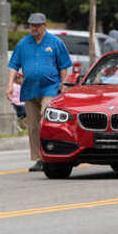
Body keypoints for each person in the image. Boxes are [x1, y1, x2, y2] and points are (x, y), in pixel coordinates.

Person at [7, 13, 72, 172]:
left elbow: (64, 66)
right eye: (31, 25)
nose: (34, 28)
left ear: (44, 26)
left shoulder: (55, 43)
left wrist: (63, 85)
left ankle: (51, 155)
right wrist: (9, 85)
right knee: (33, 126)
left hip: (50, 88)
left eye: (37, 25)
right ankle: (39, 159)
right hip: (30, 89)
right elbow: (14, 65)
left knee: (46, 119)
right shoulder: (23, 43)